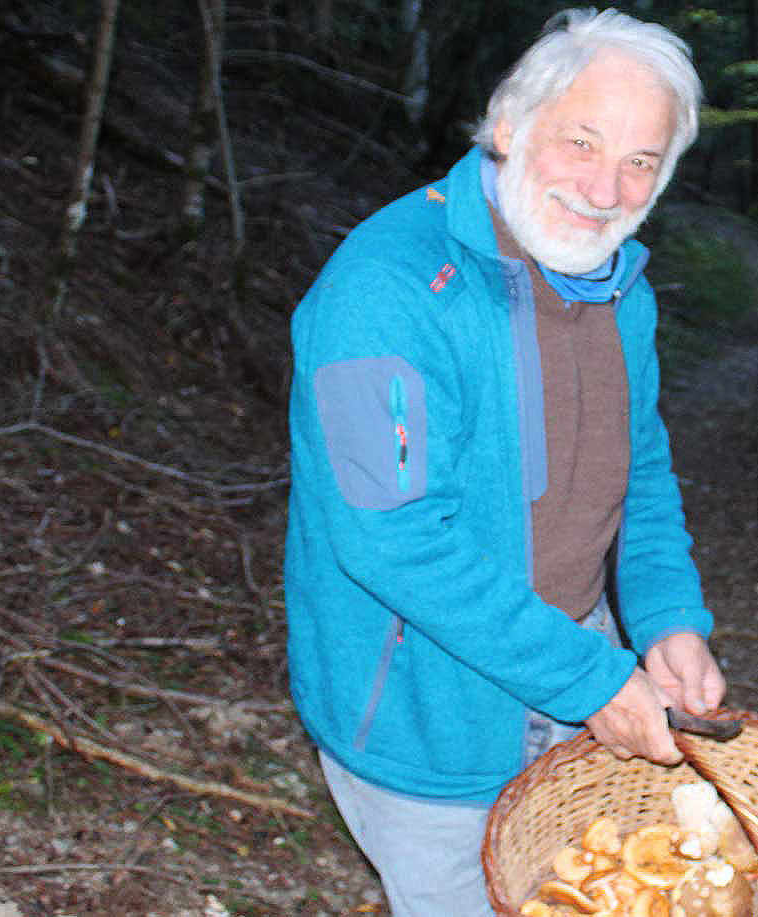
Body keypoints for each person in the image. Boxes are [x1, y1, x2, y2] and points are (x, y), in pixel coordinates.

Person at [284, 9, 727, 916]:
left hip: (574, 658)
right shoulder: (386, 290)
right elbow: (391, 542)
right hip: (423, 708)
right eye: (581, 141)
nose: (606, 188)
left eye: (640, 161)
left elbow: (637, 468)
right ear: (507, 125)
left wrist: (666, 616)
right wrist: (589, 676)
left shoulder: (613, 284)